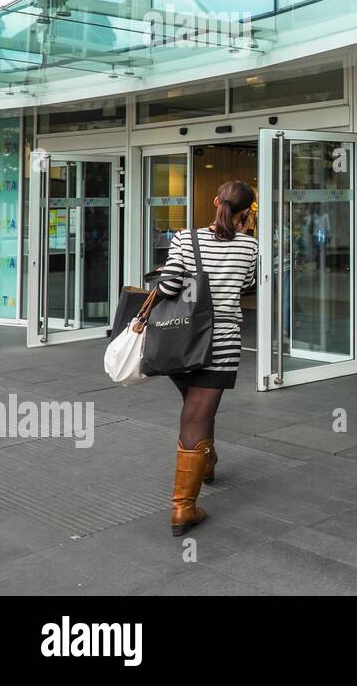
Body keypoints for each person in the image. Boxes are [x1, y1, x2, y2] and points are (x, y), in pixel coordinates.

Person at [154, 181, 259, 536]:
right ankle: (183, 508)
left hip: (181, 338)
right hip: (221, 343)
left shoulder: (184, 239)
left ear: (216, 201)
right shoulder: (250, 246)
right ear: (246, 212)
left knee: (195, 409)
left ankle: (207, 461)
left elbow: (168, 287)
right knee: (198, 413)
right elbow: (246, 286)